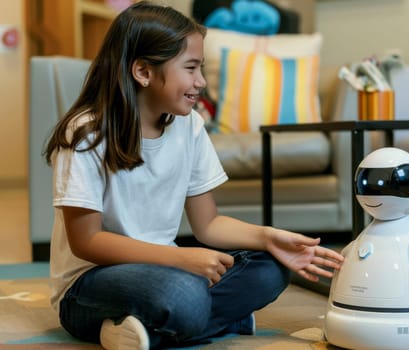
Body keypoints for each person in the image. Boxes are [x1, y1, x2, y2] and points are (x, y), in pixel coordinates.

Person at [44, 2, 345, 349]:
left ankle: (146, 332)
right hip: (90, 285)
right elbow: (87, 242)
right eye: (190, 68)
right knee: (184, 293)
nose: (201, 82)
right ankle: (215, 317)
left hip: (163, 271)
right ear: (143, 71)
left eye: (200, 68)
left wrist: (268, 238)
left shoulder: (189, 127)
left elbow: (208, 224)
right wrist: (181, 259)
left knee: (271, 268)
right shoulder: (85, 134)